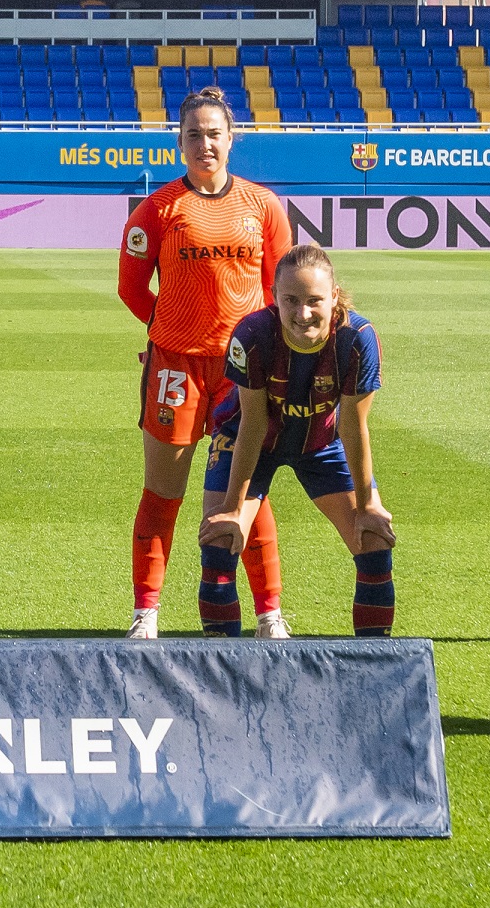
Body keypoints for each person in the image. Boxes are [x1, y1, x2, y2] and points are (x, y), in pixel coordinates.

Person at [117, 90, 296, 640]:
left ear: (230, 139)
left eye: (213, 133)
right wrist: (171, 327)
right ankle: (146, 612)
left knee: (246, 491)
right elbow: (130, 288)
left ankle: (269, 613)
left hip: (243, 371)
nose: (204, 144)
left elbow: (278, 291)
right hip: (175, 369)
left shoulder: (263, 206)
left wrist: (262, 350)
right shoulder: (158, 208)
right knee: (162, 493)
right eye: (193, 134)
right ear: (179, 142)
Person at [198, 246, 397, 635]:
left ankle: (373, 672)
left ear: (334, 296)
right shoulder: (252, 335)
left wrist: (369, 503)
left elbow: (353, 427)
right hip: (247, 440)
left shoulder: (358, 338)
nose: (302, 313)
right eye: (290, 300)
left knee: (372, 537)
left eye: (314, 301)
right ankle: (221, 675)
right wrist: (232, 510)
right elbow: (253, 425)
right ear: (274, 296)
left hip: (320, 444)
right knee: (220, 538)